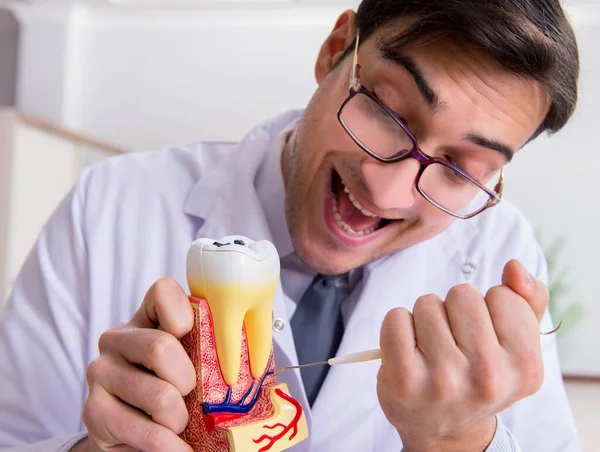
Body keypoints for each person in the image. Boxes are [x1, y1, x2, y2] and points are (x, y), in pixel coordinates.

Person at [0, 1, 581, 451]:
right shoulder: (111, 205)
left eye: (459, 169)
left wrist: (459, 441)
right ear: (334, 52)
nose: (386, 190)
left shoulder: (501, 251)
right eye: (386, 110)